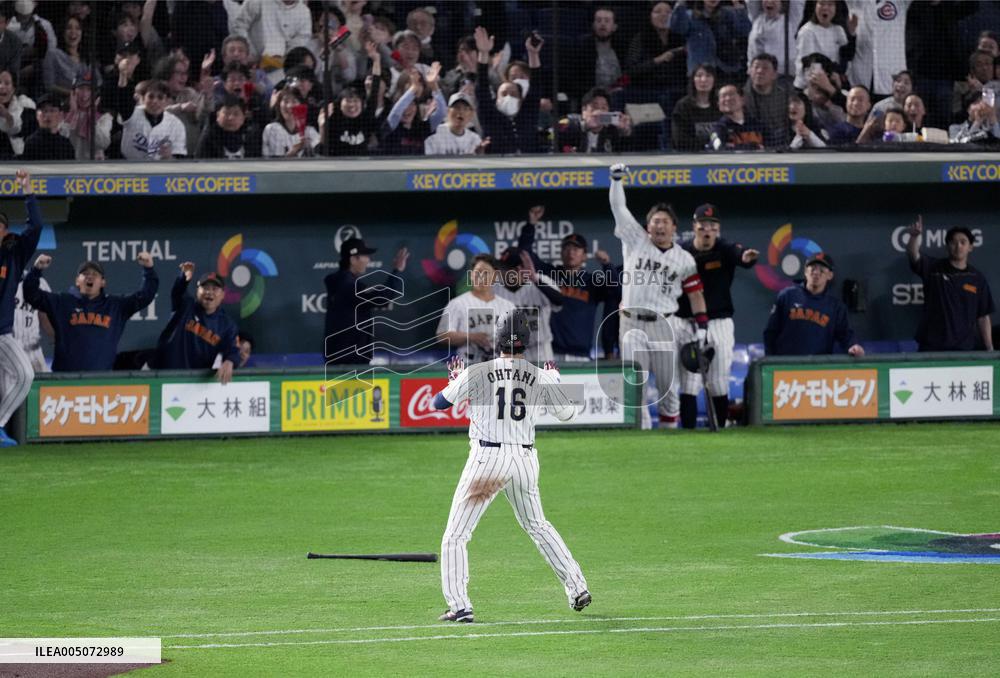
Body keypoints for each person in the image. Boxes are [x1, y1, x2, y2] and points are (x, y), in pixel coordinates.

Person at [433, 310, 591, 623]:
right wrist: (555, 379)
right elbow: (568, 415)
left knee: (456, 535)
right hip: (525, 461)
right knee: (538, 525)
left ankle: (460, 606)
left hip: (487, 463)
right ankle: (577, 588)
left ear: (498, 342)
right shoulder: (540, 375)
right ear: (527, 345)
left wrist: (453, 379)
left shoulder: (477, 371)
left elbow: (439, 404)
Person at [608, 162, 708, 429]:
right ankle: (641, 439)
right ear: (648, 225)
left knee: (668, 387)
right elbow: (619, 208)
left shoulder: (684, 258)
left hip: (665, 324)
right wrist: (616, 180)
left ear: (674, 227)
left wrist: (702, 327)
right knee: (634, 385)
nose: (659, 225)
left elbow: (695, 294)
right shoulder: (635, 239)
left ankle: (668, 435)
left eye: (665, 221)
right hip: (631, 322)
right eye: (655, 221)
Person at [675, 204, 758, 429]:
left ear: (718, 229)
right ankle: (689, 431)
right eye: (703, 225)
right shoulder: (681, 251)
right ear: (695, 227)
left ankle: (720, 429)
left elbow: (740, 254)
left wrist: (747, 257)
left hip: (719, 322)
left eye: (712, 226)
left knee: (719, 380)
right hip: (687, 322)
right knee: (689, 382)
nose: (707, 230)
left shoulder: (724, 248)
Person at [22, 254, 158, 372]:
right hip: (64, 380)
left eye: (95, 274)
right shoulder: (62, 302)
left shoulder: (115, 306)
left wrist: (149, 269)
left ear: (103, 282)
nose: (90, 277)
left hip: (100, 381)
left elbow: (145, 296)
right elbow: (31, 294)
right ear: (77, 281)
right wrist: (36, 270)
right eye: (85, 274)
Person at [517, 205, 613, 361]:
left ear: (584, 255)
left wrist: (607, 265)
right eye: (567, 248)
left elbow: (616, 293)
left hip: (581, 354)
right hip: (550, 353)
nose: (571, 252)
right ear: (561, 253)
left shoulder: (592, 282)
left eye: (576, 249)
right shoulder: (550, 274)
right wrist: (531, 224)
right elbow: (524, 253)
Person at [905, 217, 994, 352]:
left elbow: (983, 317)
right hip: (932, 348)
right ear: (947, 246)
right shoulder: (933, 268)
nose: (958, 246)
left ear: (970, 247)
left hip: (964, 350)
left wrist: (989, 348)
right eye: (953, 242)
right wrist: (914, 236)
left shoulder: (977, 278)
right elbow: (913, 255)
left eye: (963, 242)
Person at [0, 169, 41, 447]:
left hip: (2, 332)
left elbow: (35, 227)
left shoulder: (13, 255)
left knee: (25, 374)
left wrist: (27, 191)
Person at [324, 237, 409, 365]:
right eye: (365, 256)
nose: (369, 260)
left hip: (341, 357)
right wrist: (397, 271)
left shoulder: (340, 282)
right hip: (350, 361)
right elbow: (383, 297)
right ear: (353, 259)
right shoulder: (348, 285)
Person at [763, 253, 864, 356]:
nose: (816, 273)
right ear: (806, 271)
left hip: (817, 367)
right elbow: (770, 333)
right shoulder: (787, 296)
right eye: (813, 268)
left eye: (821, 270)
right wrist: (770, 361)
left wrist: (853, 345)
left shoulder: (835, 307)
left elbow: (845, 335)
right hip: (786, 365)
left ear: (830, 275)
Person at [156, 264, 239, 384]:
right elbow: (178, 292)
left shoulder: (227, 325)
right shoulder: (185, 306)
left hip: (197, 382)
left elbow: (233, 349)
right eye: (205, 287)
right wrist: (184, 278)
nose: (209, 292)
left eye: (215, 289)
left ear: (222, 295)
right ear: (197, 291)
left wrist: (230, 361)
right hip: (165, 375)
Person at [473, 26, 543, 155]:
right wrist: (483, 54)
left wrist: (533, 54)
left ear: (521, 100)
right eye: (504, 94)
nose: (509, 97)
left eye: (514, 94)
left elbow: (536, 86)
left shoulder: (528, 115)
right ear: (497, 99)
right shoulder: (490, 116)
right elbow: (481, 88)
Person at [436, 253, 515, 364]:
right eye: (477, 272)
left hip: (501, 370)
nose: (481, 277)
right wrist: (470, 337)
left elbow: (518, 341)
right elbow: (442, 335)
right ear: (471, 275)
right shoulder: (456, 303)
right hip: (468, 368)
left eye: (486, 273)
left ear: (495, 276)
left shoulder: (508, 306)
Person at [231, 0, 311, 86]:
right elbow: (239, 25)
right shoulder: (259, 2)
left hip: (278, 72)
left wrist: (279, 61)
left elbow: (298, 45)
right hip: (248, 65)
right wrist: (247, 52)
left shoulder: (304, 12)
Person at [110, 77, 187, 160]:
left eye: (160, 97)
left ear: (167, 101)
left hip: (160, 169)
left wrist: (169, 157)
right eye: (151, 97)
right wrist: (123, 74)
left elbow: (180, 158)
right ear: (143, 98)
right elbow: (122, 98)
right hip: (128, 166)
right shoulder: (132, 114)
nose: (155, 101)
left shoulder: (176, 124)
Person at [377, 63, 446, 156]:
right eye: (405, 106)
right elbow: (396, 114)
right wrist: (413, 89)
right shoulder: (390, 125)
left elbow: (441, 113)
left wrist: (434, 87)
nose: (407, 110)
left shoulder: (421, 128)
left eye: (412, 105)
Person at [793, 0, 855, 90]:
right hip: (808, 87)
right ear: (815, 6)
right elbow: (808, 64)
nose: (825, 8)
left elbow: (847, 56)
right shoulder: (807, 31)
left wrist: (852, 34)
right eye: (821, 4)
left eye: (830, 4)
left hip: (832, 84)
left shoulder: (838, 29)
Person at [555, 86, 632, 153]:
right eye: (594, 107)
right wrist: (585, 126)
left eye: (604, 108)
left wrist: (625, 132)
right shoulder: (571, 123)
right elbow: (555, 133)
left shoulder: (611, 131)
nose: (599, 112)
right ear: (584, 110)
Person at [742, 52, 791, 147]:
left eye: (765, 68)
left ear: (774, 75)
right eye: (756, 67)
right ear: (749, 71)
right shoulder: (741, 97)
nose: (759, 71)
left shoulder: (785, 97)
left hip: (779, 143)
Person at [746, 0, 805, 78]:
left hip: (782, 76)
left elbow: (798, 2)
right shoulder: (757, 18)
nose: (770, 1)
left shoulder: (790, 20)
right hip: (756, 75)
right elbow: (750, 2)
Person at [195, 93, 262, 159]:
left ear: (243, 118)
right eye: (226, 113)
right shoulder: (208, 137)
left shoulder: (251, 136)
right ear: (218, 115)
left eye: (236, 114)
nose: (230, 118)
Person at [671, 62, 720, 151]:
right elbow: (680, 140)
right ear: (693, 80)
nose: (703, 79)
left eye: (708, 76)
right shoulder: (682, 106)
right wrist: (706, 147)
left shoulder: (721, 103)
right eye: (699, 76)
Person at [63, 73, 111, 160]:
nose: (84, 94)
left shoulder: (104, 116)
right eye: (81, 89)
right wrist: (72, 112)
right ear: (73, 92)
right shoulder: (63, 112)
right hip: (68, 165)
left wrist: (91, 119)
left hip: (94, 167)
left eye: (89, 90)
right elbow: (61, 138)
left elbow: (103, 144)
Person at [263, 86, 320, 157]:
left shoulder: (309, 130)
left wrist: (322, 127)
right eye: (286, 101)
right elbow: (275, 163)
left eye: (294, 101)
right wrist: (294, 151)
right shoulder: (272, 129)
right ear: (279, 105)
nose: (290, 106)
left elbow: (321, 154)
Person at [424, 91, 485, 155]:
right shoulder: (435, 133)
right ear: (448, 111)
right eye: (457, 107)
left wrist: (478, 155)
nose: (461, 112)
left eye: (465, 109)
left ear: (471, 114)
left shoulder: (474, 139)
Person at [709, 84, 764, 150]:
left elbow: (773, 146)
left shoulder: (758, 125)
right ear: (718, 104)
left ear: (742, 99)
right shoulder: (717, 129)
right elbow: (719, 148)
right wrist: (754, 147)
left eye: (731, 94)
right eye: (723, 96)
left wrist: (735, 146)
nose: (728, 98)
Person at [14, 277, 51, 372]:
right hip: (5, 351)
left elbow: (45, 316)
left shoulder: (39, 282)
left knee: (43, 384)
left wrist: (57, 338)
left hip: (32, 351)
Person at [21, 93, 74, 161]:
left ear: (61, 115)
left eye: (52, 111)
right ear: (37, 116)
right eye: (44, 111)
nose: (48, 115)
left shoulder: (66, 145)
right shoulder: (31, 143)